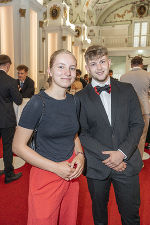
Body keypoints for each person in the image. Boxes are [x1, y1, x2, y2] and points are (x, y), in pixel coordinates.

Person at [13, 49, 84, 225]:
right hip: (46, 173)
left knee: (69, 219)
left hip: (70, 171)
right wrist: (55, 168)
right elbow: (18, 146)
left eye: (72, 68)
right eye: (61, 67)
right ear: (50, 71)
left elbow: (72, 133)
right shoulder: (38, 103)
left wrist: (81, 155)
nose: (67, 73)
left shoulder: (74, 101)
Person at [76, 45, 144, 225]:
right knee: (99, 217)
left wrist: (121, 154)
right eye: (93, 64)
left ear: (109, 62)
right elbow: (82, 132)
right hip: (98, 166)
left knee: (131, 215)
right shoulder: (80, 97)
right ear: (87, 67)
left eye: (102, 62)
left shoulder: (127, 89)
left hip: (127, 163)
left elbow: (137, 124)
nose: (98, 67)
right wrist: (109, 157)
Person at [120, 56, 150, 160]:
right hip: (144, 108)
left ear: (131, 64)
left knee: (128, 134)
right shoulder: (148, 75)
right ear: (141, 64)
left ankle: (127, 157)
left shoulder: (123, 76)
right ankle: (139, 160)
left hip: (128, 109)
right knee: (142, 136)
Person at [0, 54, 22, 183]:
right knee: (7, 147)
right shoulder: (11, 81)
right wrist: (17, 90)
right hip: (6, 119)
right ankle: (9, 174)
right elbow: (18, 101)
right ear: (7, 66)